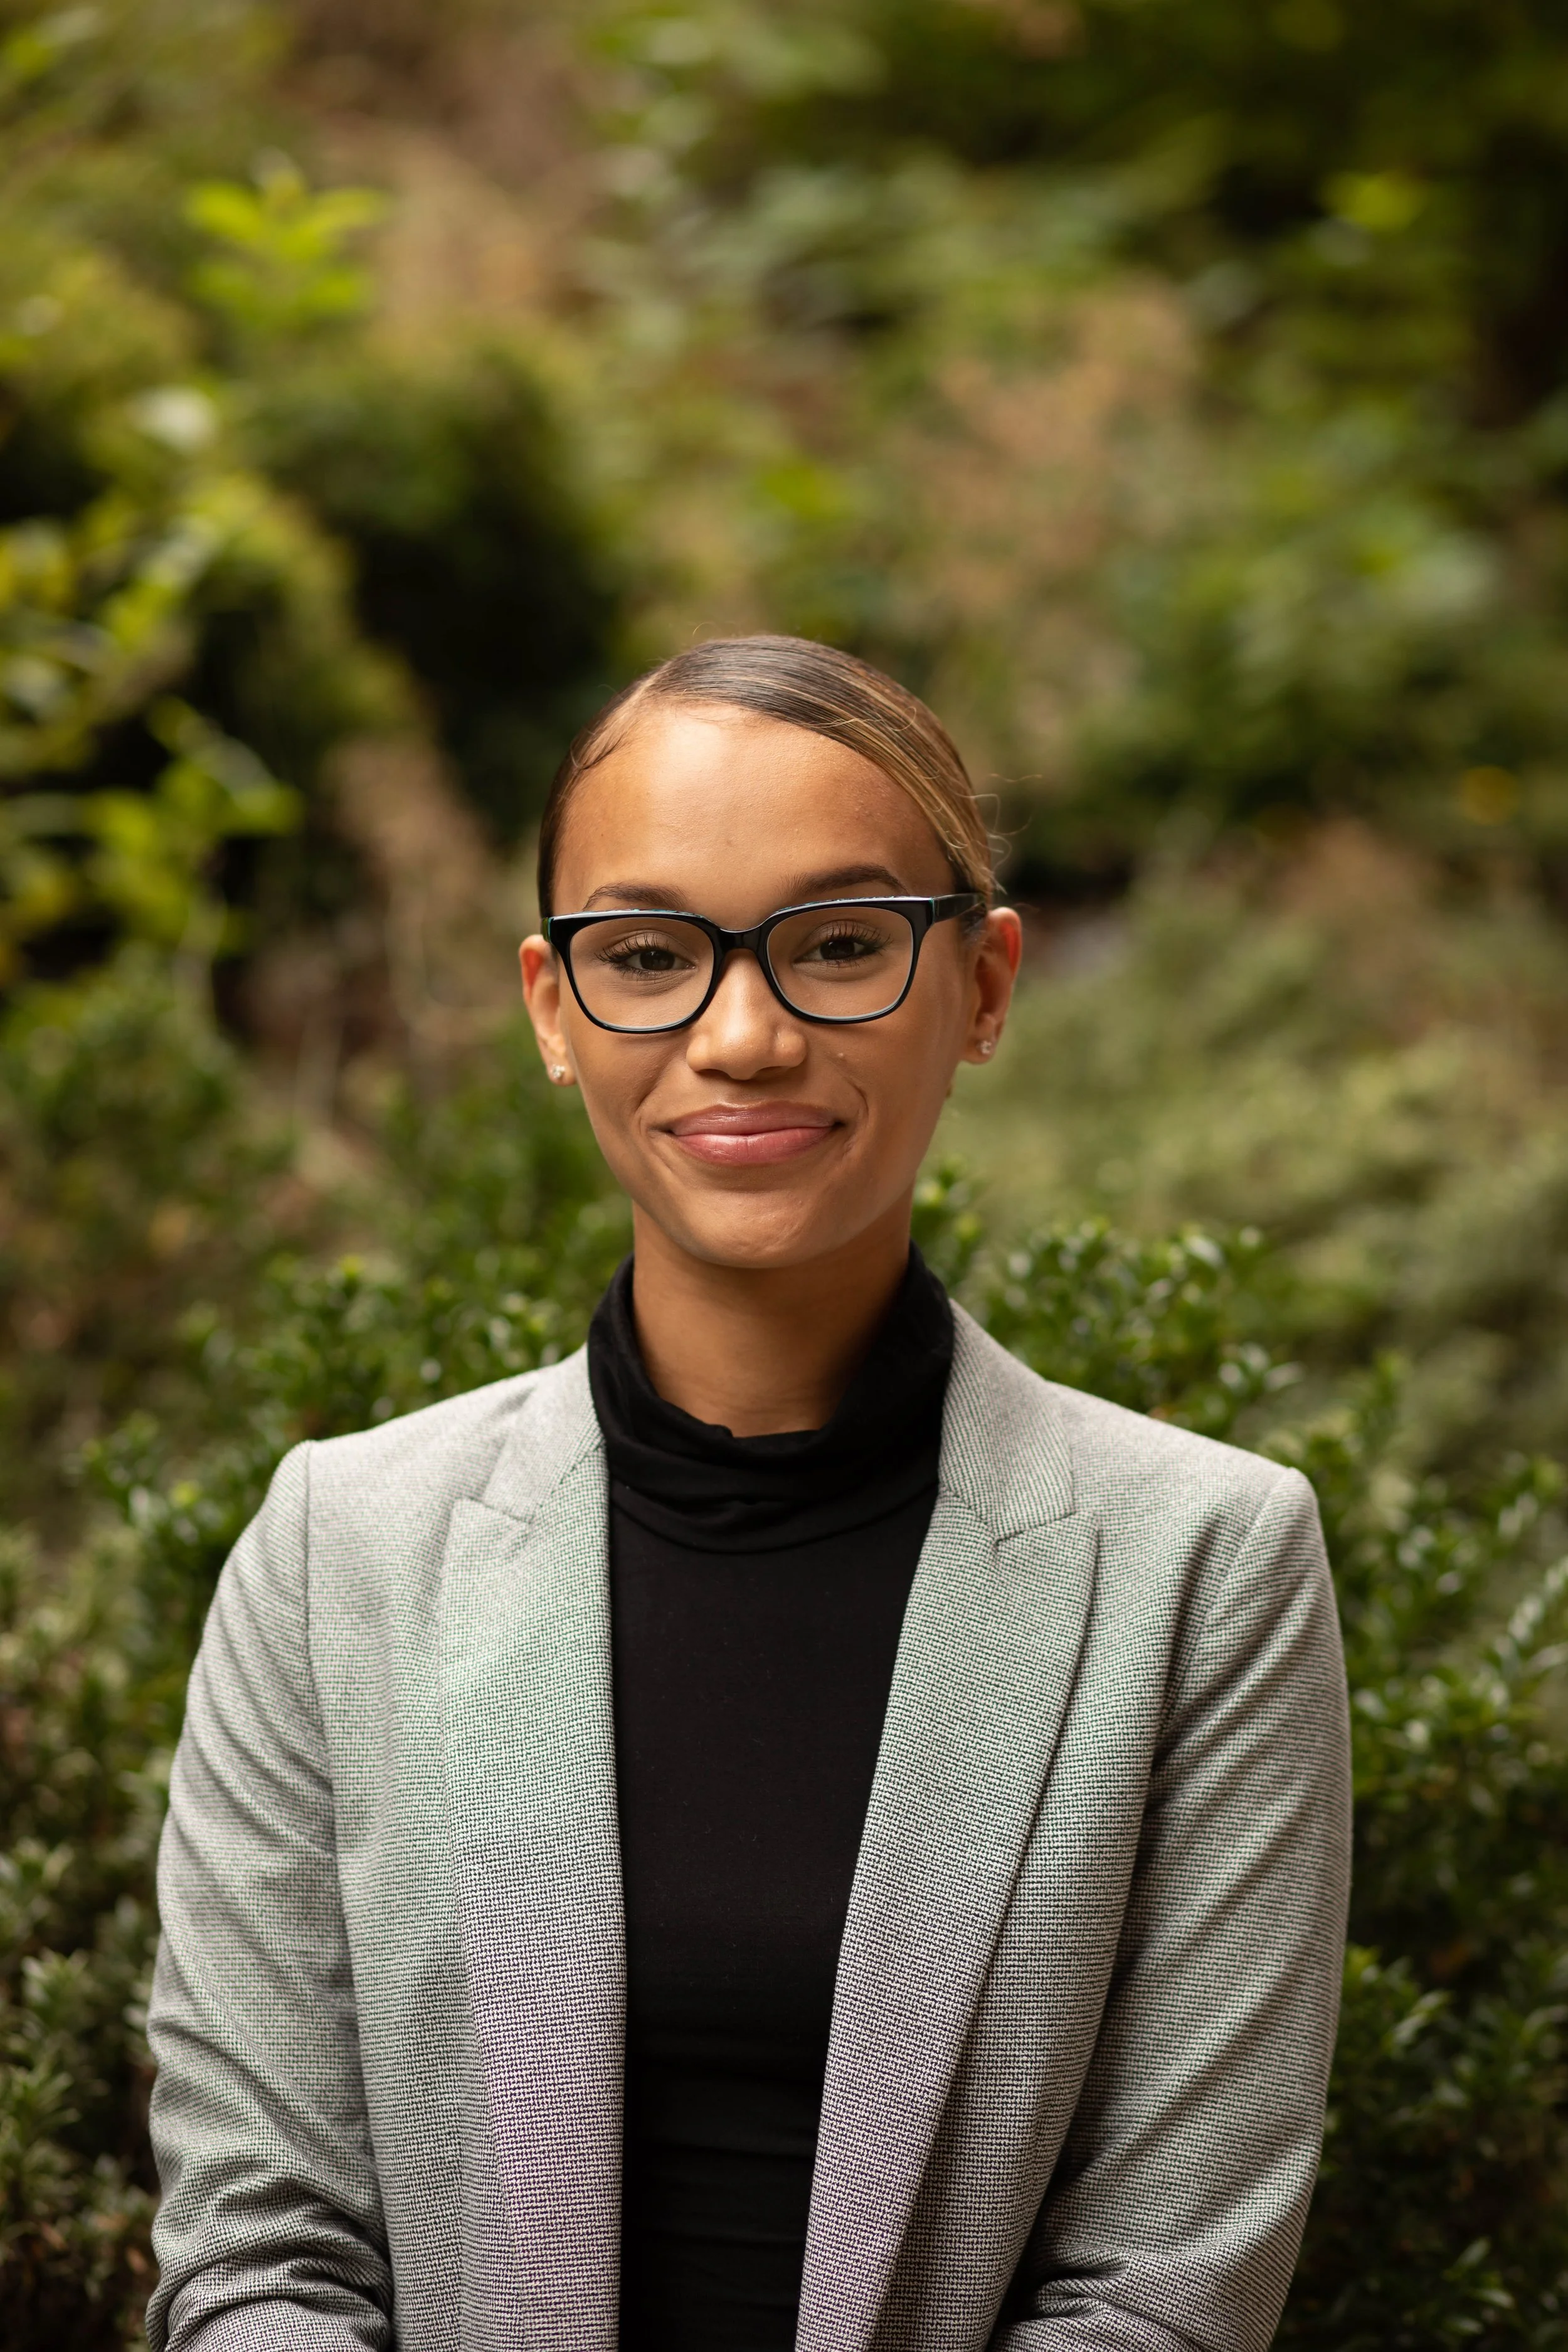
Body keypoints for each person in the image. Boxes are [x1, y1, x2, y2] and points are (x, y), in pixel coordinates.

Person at [145, 635, 1351, 2352]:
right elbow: (255, 2247)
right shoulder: (342, 1545)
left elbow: (1162, 2294)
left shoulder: (1197, 1564)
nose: (743, 1033)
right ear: (554, 1009)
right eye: (644, 954)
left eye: (841, 943)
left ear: (986, 983)